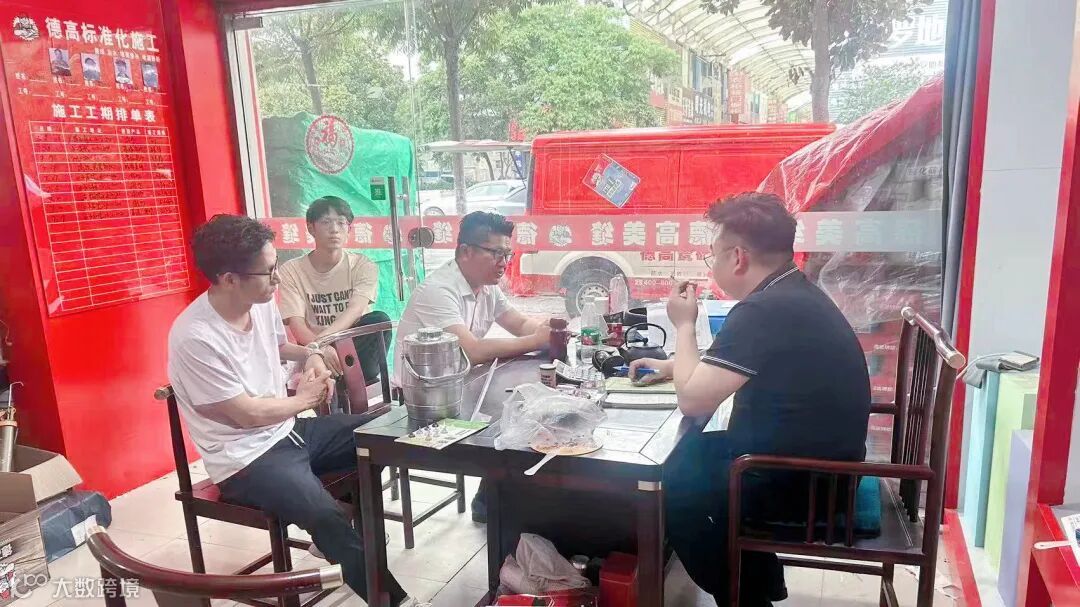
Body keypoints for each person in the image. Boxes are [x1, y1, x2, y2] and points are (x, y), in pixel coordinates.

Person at [167, 215, 427, 607]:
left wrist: (312, 354)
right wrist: (305, 399)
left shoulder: (258, 303)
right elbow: (245, 414)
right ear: (229, 278)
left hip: (289, 431)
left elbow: (278, 348)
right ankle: (392, 600)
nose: (277, 279)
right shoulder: (195, 337)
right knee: (326, 517)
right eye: (268, 272)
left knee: (384, 431)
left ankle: (339, 534)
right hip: (246, 460)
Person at [629, 193, 871, 607]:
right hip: (827, 468)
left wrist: (684, 325)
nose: (712, 265)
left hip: (804, 483)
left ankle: (746, 597)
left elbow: (693, 401)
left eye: (713, 255)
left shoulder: (763, 310)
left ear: (738, 257)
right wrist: (672, 366)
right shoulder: (790, 293)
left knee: (674, 484)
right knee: (690, 457)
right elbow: (737, 366)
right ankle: (759, 583)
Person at [393, 211, 550, 522]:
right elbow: (473, 351)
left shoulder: (487, 286)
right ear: (465, 251)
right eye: (496, 253)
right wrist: (537, 340)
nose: (504, 262)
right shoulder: (439, 289)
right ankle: (494, 499)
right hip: (424, 399)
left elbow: (519, 324)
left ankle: (497, 496)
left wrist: (548, 331)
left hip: (464, 384)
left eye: (507, 254)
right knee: (516, 413)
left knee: (527, 403)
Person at [277, 196, 389, 384]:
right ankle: (337, 381)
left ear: (349, 229)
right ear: (311, 228)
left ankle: (337, 381)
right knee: (314, 356)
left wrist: (320, 344)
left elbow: (355, 311)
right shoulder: (291, 270)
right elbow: (297, 325)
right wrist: (318, 349)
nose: (334, 229)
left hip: (352, 348)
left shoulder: (363, 265)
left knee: (379, 320)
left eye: (341, 223)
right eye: (326, 222)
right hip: (314, 350)